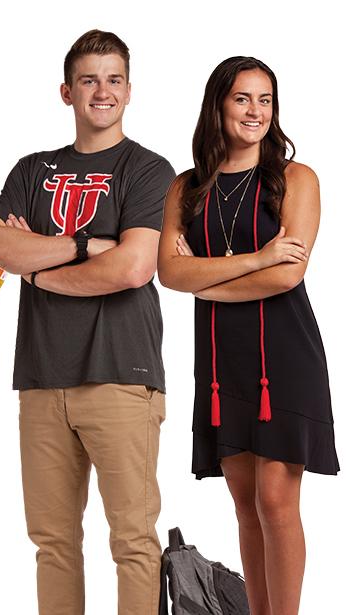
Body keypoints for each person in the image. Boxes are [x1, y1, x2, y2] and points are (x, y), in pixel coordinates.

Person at [0, 30, 174, 615]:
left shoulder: (148, 169)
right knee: (53, 544)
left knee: (134, 542)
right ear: (67, 92)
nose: (102, 91)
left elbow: (135, 266)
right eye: (89, 79)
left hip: (121, 372)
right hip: (41, 376)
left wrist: (37, 263)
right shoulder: (32, 168)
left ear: (130, 91)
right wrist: (89, 245)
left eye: (114, 79)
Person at [157, 56, 339, 615]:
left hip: (284, 359)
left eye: (264, 99)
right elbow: (169, 272)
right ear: (219, 104)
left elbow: (288, 274)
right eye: (242, 98)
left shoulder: (295, 179)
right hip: (220, 364)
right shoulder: (186, 188)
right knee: (244, 506)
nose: (254, 111)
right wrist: (255, 259)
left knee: (276, 500)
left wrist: (205, 280)